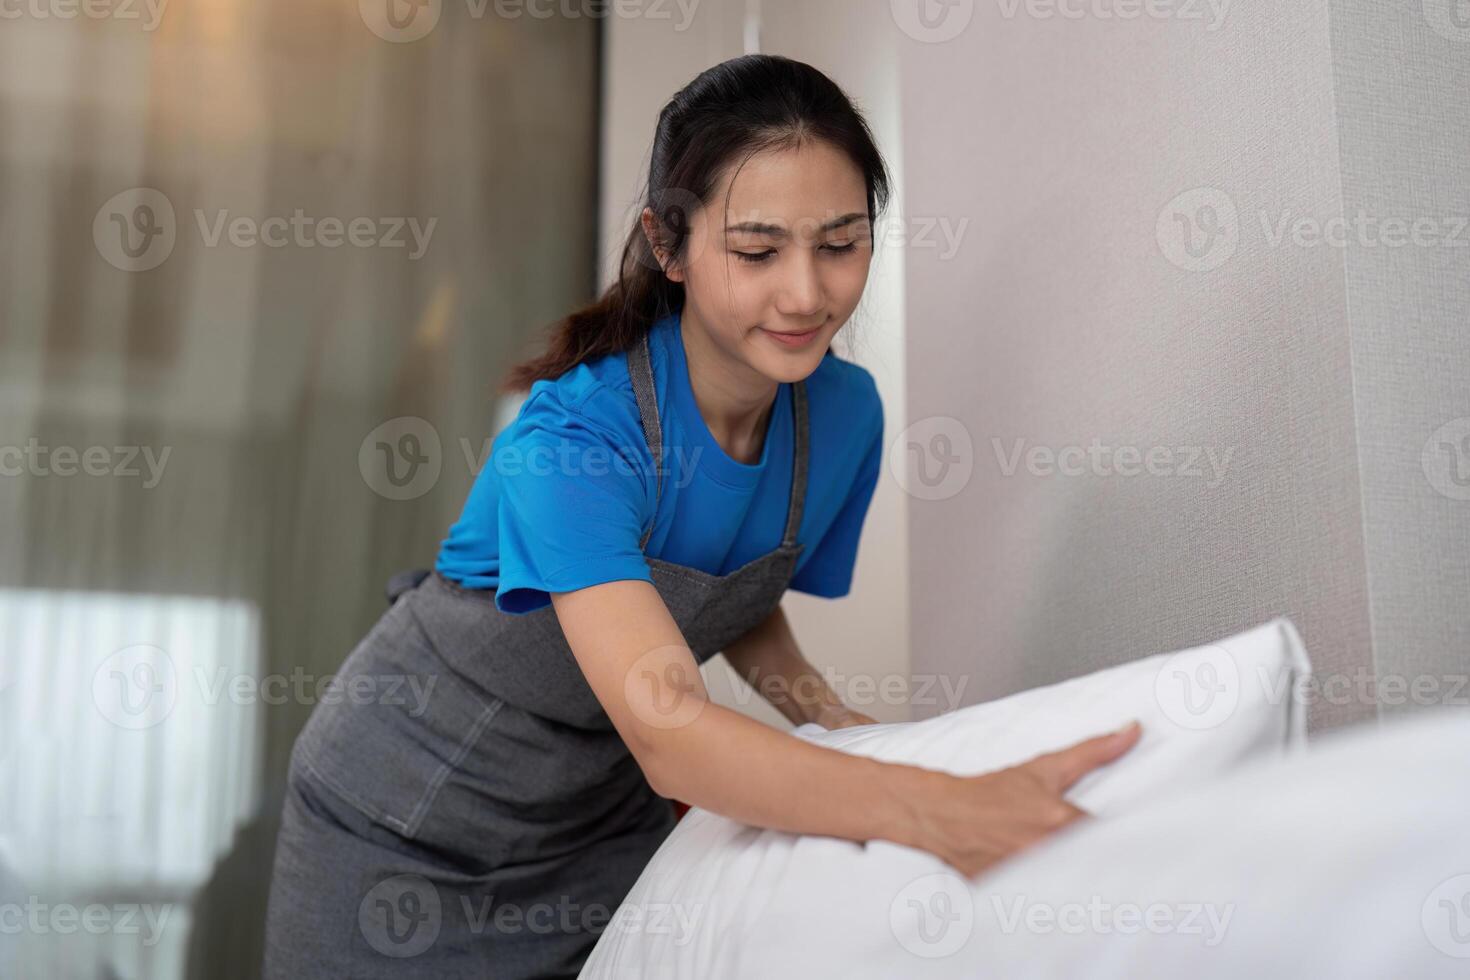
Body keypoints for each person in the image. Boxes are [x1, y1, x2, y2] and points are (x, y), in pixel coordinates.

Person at [261, 53, 1142, 979]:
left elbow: (729, 589)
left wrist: (833, 717)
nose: (806, 294)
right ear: (669, 245)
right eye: (758, 251)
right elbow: (669, 726)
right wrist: (933, 805)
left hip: (594, 823)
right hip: (404, 829)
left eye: (840, 244)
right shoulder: (573, 441)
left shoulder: (843, 417)